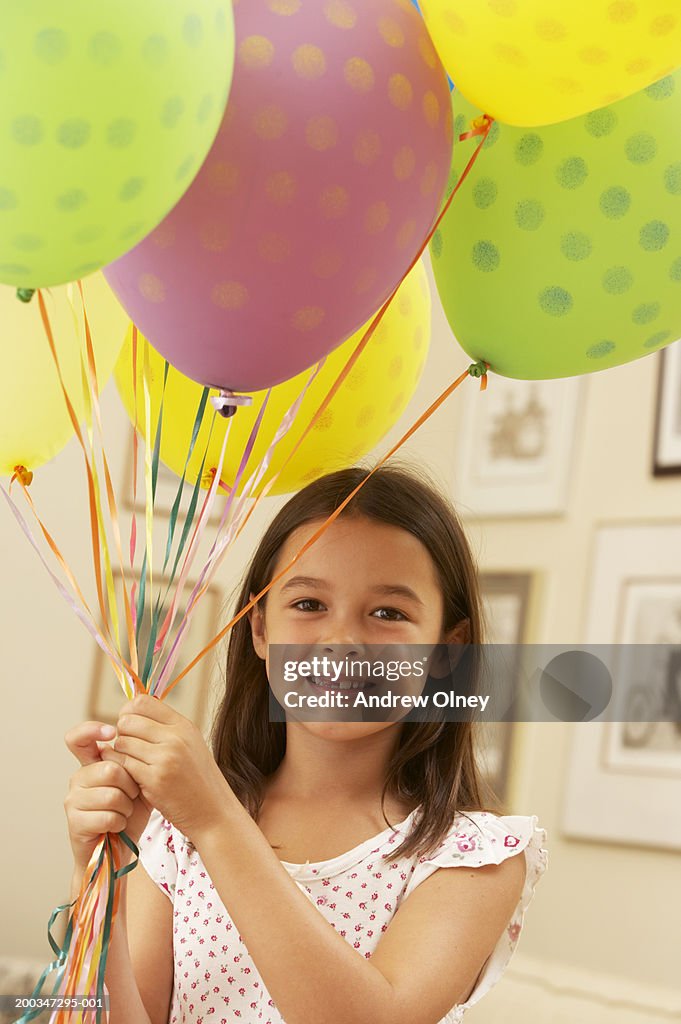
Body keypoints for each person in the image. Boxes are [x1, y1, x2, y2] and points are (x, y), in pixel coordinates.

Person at [64, 464, 548, 1024]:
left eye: (388, 613)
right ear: (260, 628)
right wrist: (98, 874)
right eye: (309, 604)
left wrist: (217, 820)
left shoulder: (473, 854)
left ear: (446, 650)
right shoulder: (176, 836)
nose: (341, 642)